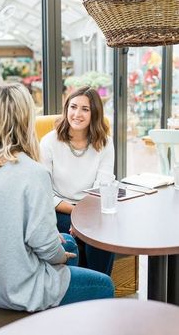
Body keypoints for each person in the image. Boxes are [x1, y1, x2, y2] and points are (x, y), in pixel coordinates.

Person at [0, 83, 114, 313]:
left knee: (69, 244)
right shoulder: (32, 171)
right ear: (25, 120)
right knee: (104, 285)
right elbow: (48, 249)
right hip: (15, 288)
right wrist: (58, 253)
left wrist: (57, 245)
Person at [40, 86, 115, 276]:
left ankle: (98, 290)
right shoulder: (49, 142)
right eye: (73, 107)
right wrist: (77, 216)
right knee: (82, 233)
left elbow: (102, 187)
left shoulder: (105, 143)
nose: (77, 114)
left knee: (103, 235)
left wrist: (84, 216)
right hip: (60, 209)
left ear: (94, 114)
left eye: (85, 109)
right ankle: (81, 293)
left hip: (91, 208)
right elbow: (43, 192)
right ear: (66, 109)